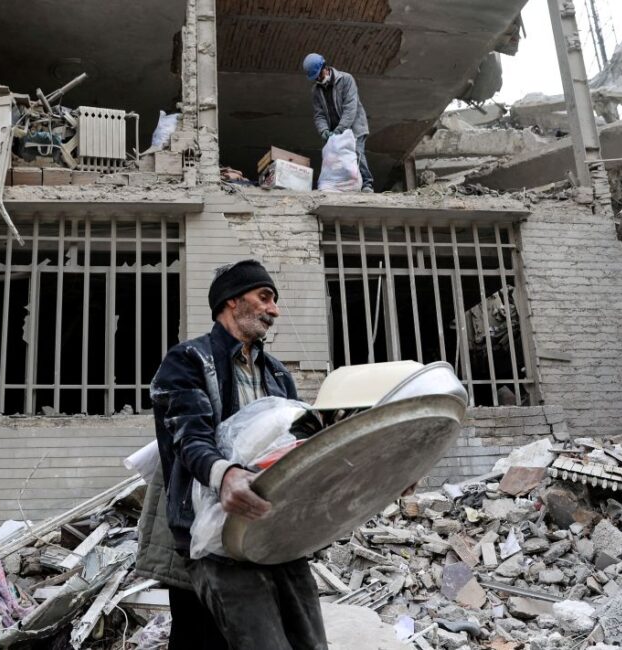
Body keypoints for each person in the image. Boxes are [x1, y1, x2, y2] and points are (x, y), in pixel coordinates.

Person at [135, 259, 327, 650]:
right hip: (202, 532)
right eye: (265, 297)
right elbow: (188, 434)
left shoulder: (277, 375)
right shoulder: (188, 360)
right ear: (232, 301)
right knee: (202, 637)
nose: (274, 309)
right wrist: (224, 475)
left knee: (298, 633)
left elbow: (297, 443)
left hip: (267, 526)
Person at [304, 52, 372, 193]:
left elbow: (350, 108)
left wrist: (341, 129)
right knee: (332, 159)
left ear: (325, 67)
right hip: (333, 131)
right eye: (315, 78)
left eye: (320, 75)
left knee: (357, 152)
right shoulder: (316, 91)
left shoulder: (346, 80)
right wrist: (324, 131)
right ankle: (341, 186)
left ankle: (367, 184)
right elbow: (319, 114)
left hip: (354, 126)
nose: (318, 79)